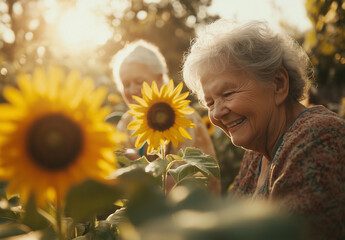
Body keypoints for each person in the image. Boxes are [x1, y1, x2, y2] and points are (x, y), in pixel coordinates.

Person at [182, 19, 345, 240]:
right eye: (210, 103)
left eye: (227, 94)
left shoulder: (319, 136)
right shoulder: (257, 154)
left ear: (278, 84)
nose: (217, 113)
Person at [111, 40, 217, 177]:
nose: (132, 90)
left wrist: (138, 165)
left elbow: (188, 183)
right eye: (126, 84)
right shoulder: (127, 122)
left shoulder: (184, 118)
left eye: (139, 82)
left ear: (159, 79)